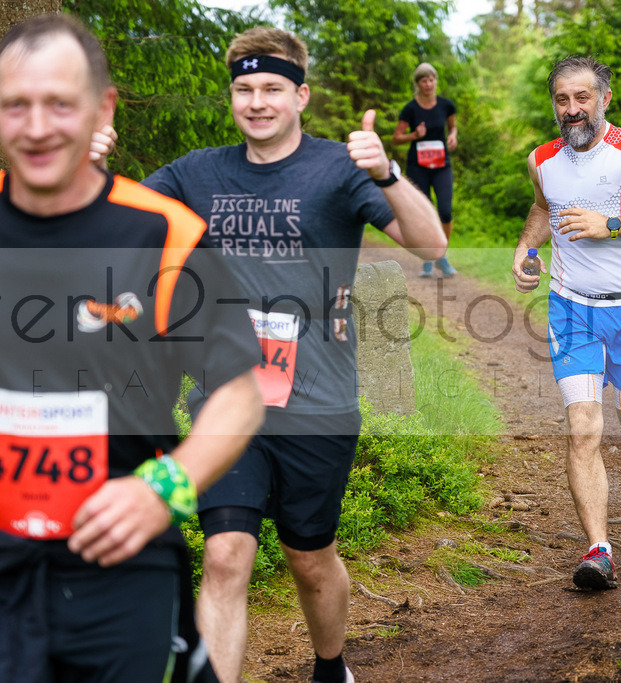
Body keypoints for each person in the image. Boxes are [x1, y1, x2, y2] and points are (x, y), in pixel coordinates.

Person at [0, 14, 264, 682]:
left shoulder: (166, 234)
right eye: (17, 104)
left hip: (120, 564)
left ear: (102, 108)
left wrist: (165, 487)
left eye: (60, 104)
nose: (37, 127)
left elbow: (240, 394)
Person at [91, 27, 446, 683]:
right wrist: (87, 167)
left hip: (319, 402)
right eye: (245, 89)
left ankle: (330, 666)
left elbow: (430, 244)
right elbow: (113, 222)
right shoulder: (195, 172)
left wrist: (387, 173)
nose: (257, 102)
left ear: (301, 95)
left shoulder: (339, 169)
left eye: (273, 89)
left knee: (310, 558)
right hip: (226, 397)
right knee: (225, 555)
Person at [511, 56, 621, 591]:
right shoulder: (541, 159)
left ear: (604, 99)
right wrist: (526, 249)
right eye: (562, 100)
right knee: (583, 427)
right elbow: (543, 209)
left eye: (582, 98)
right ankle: (599, 550)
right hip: (571, 308)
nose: (572, 109)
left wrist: (610, 224)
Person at [392, 62, 458, 278]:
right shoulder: (410, 109)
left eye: (431, 80)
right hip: (418, 167)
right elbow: (396, 138)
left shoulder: (446, 105)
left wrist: (453, 136)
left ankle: (441, 254)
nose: (428, 84)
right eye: (424, 80)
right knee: (425, 211)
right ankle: (428, 258)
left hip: (441, 166)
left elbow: (452, 127)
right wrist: (414, 135)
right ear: (418, 83)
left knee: (445, 211)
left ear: (435, 81)